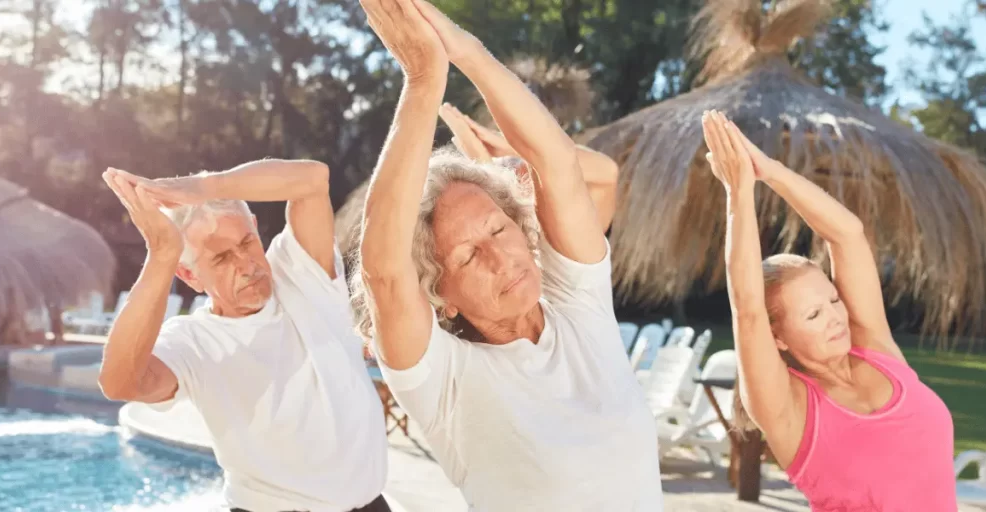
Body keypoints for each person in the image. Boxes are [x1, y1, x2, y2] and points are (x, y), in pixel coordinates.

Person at [350, 0, 662, 510]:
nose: (501, 258)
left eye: (498, 228)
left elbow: (556, 163)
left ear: (521, 226)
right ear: (440, 296)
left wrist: (466, 51)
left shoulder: (580, 308)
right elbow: (383, 271)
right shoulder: (444, 380)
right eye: (469, 257)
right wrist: (425, 81)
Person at [97, 161, 391, 512]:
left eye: (247, 243)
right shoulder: (193, 341)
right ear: (189, 274)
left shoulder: (300, 273)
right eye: (221, 258)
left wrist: (203, 187)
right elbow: (120, 383)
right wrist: (161, 254)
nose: (247, 265)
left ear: (255, 227)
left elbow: (313, 179)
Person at [703, 110, 957, 511]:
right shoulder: (786, 407)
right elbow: (748, 307)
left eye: (833, 301)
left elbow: (847, 235)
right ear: (778, 338)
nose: (837, 317)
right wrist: (739, 192)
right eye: (813, 315)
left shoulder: (875, 349)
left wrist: (771, 171)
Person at [437, 102, 618, 231]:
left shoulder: (576, 231)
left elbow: (607, 173)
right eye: (510, 167)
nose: (518, 170)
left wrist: (511, 148)